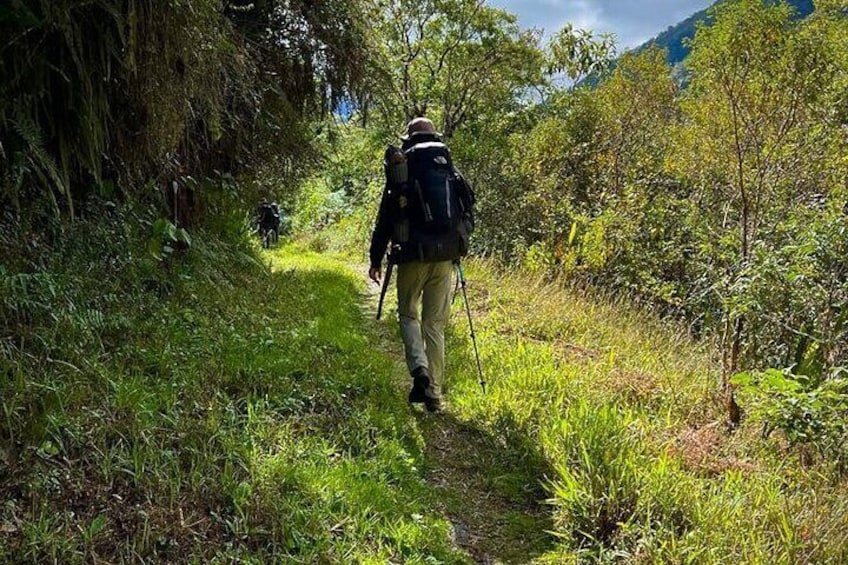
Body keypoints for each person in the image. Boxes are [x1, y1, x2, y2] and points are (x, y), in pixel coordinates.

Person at [368, 117, 475, 412]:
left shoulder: (402, 169)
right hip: (444, 260)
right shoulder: (448, 168)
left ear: (409, 139)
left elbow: (386, 218)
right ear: (434, 136)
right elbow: (468, 209)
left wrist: (375, 259)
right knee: (435, 325)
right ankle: (435, 396)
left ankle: (420, 371)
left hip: (412, 256)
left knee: (407, 315)